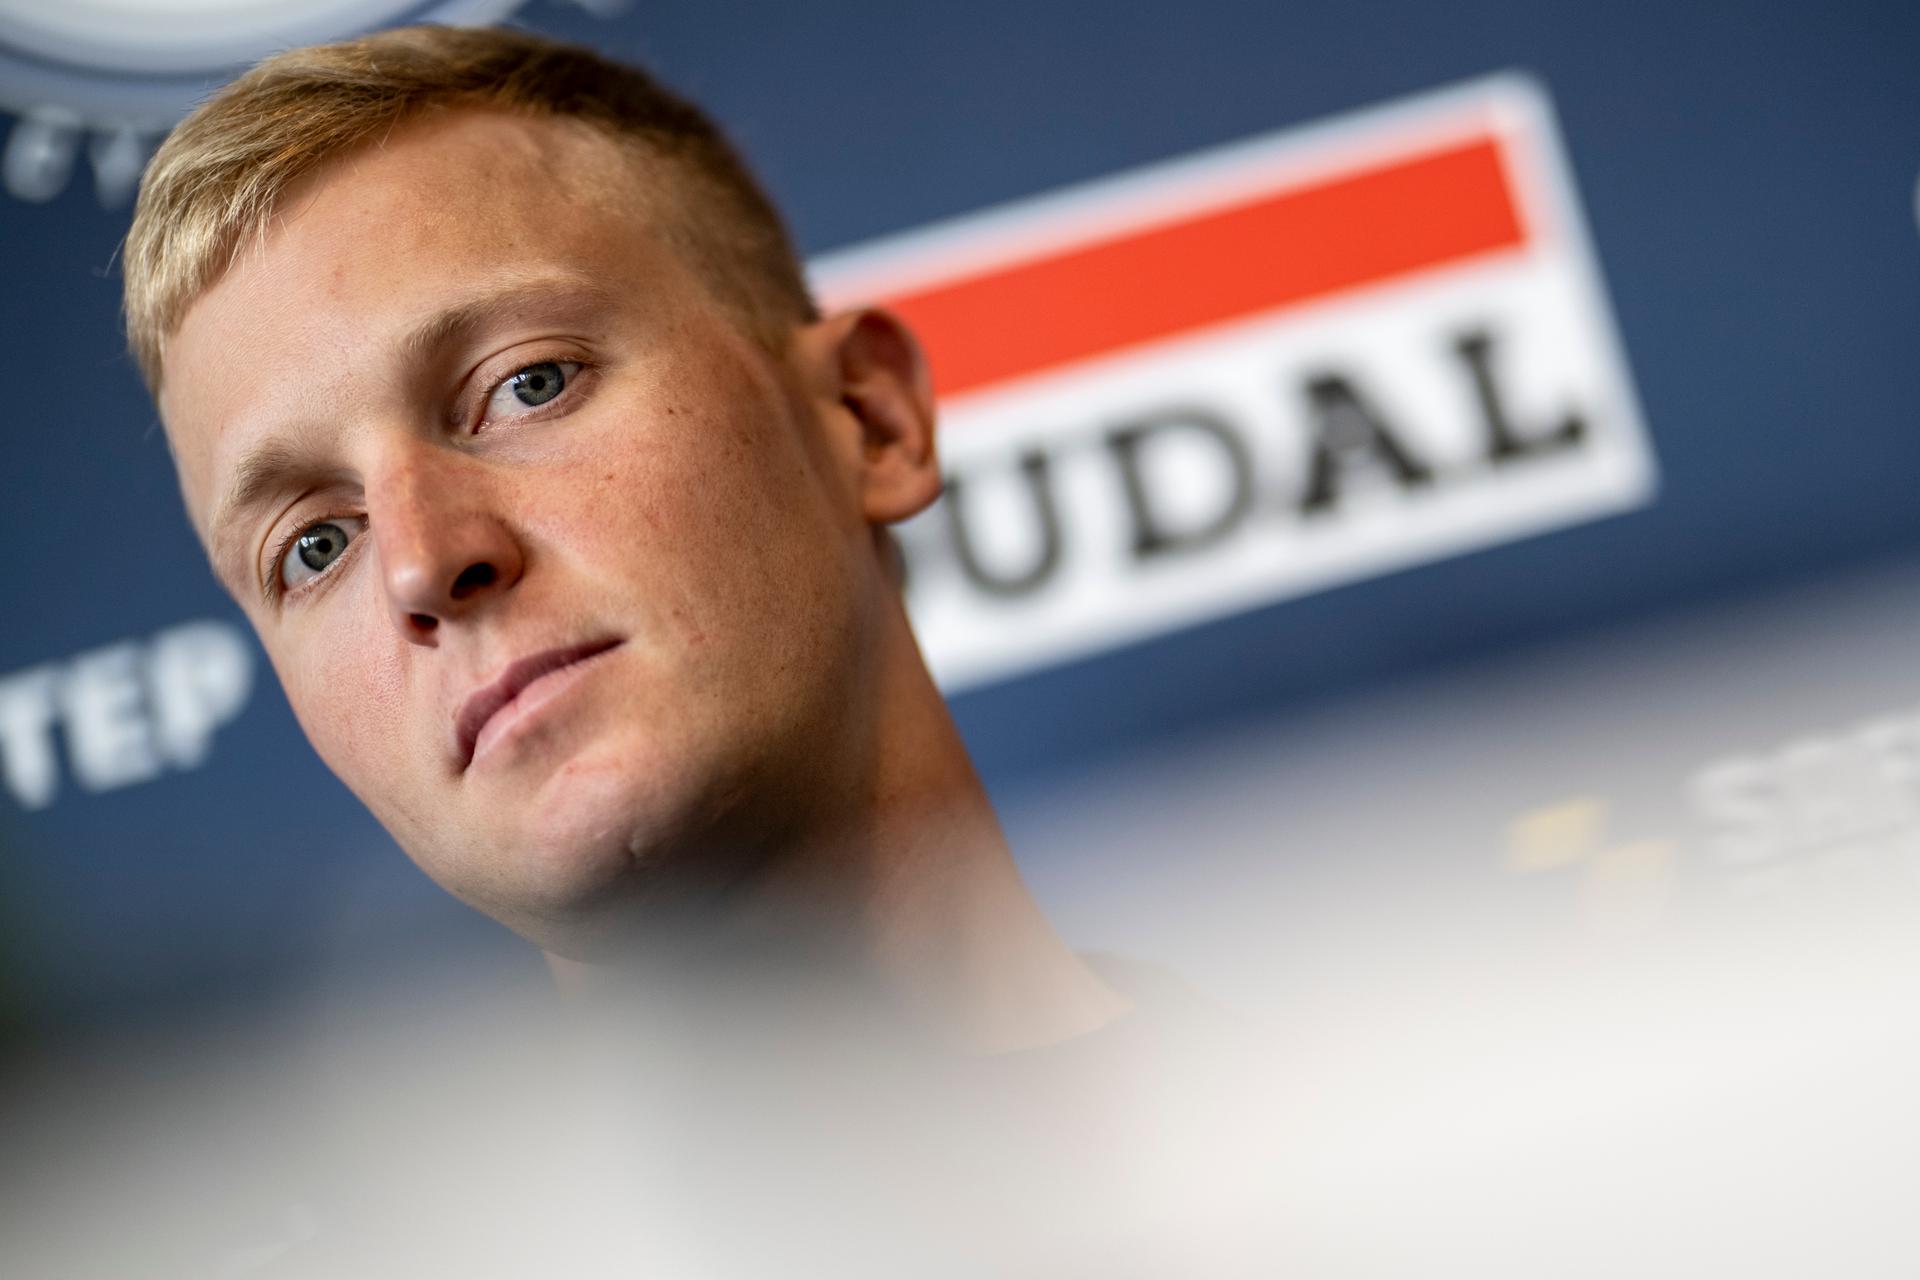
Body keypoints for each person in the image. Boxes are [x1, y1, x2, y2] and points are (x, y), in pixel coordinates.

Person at [124, 23, 1132, 1054]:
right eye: (316, 545)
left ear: (866, 418)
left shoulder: (1302, 1134)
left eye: (530, 383)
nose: (421, 562)